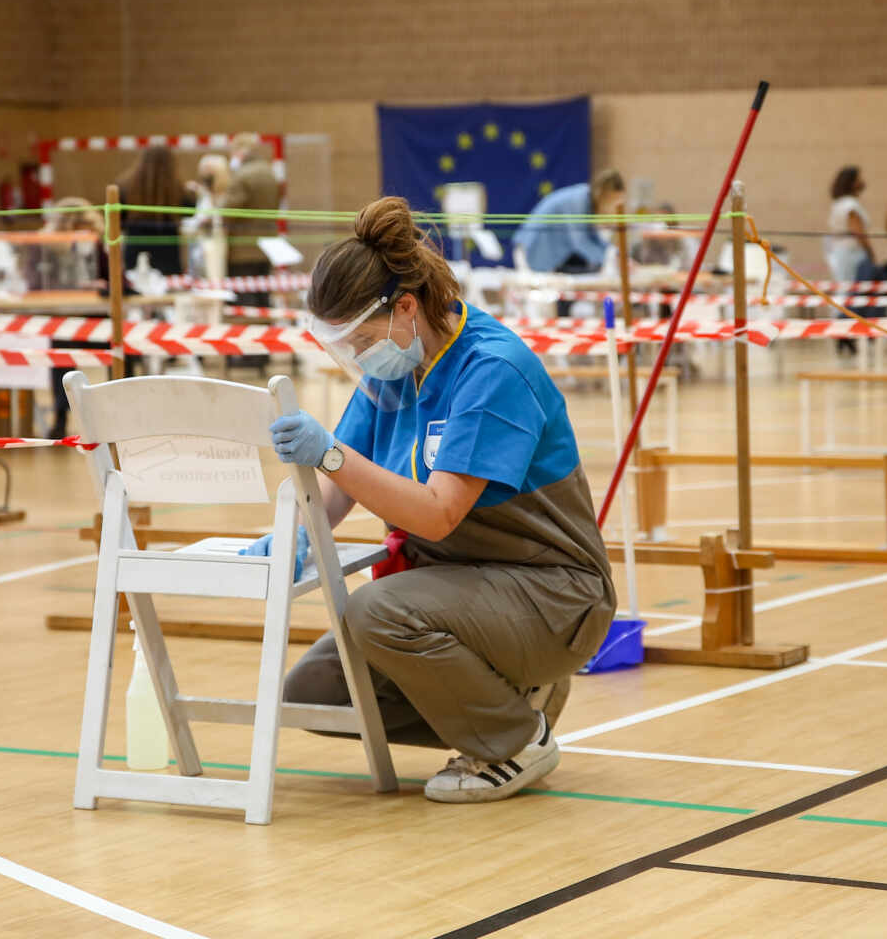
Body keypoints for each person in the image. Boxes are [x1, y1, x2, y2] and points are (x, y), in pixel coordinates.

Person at [243, 196, 615, 803]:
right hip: (462, 587)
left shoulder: (492, 370)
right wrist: (301, 532)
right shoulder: (394, 373)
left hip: (553, 595)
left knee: (377, 612)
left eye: (362, 340)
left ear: (406, 309)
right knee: (317, 693)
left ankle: (515, 739)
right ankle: (503, 696)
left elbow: (439, 514)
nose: (357, 359)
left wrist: (330, 453)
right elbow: (336, 490)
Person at [42, 198, 108, 439]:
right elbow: (42, 283)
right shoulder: (48, 251)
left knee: (126, 349)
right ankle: (61, 415)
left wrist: (104, 285)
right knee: (60, 350)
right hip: (64, 321)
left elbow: (115, 277)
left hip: (96, 323)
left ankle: (116, 413)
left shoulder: (96, 247)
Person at [220, 135, 281, 368]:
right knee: (263, 299)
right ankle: (265, 349)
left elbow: (227, 210)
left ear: (240, 153)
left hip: (244, 249)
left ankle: (249, 353)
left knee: (245, 301)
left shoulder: (242, 175)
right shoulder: (269, 172)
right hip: (267, 246)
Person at [513, 168, 625, 275]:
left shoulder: (587, 201)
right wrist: (610, 257)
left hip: (544, 257)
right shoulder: (578, 201)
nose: (612, 209)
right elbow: (580, 242)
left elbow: (593, 238)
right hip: (530, 251)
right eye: (612, 202)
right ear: (602, 194)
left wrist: (617, 254)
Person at [116, 146, 191, 277]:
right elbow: (190, 212)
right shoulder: (179, 188)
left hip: (135, 248)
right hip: (168, 252)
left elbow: (118, 221)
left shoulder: (125, 186)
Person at [824, 166, 878, 283]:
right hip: (852, 255)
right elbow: (859, 233)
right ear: (851, 182)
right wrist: (871, 253)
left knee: (844, 286)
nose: (862, 182)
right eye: (859, 179)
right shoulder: (850, 205)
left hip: (840, 253)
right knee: (850, 289)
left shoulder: (839, 203)